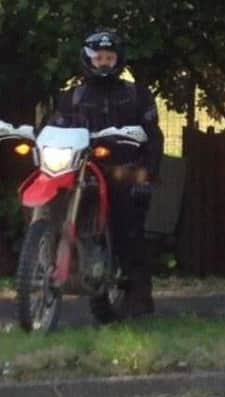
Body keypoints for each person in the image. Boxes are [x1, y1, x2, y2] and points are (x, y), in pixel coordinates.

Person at [51, 30, 164, 316]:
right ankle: (45, 260)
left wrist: (147, 174)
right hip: (78, 171)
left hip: (124, 172)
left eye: (109, 57)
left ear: (119, 60)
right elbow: (54, 128)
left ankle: (138, 294)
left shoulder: (136, 94)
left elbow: (153, 137)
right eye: (98, 57)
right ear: (88, 59)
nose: (103, 63)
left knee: (129, 228)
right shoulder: (71, 97)